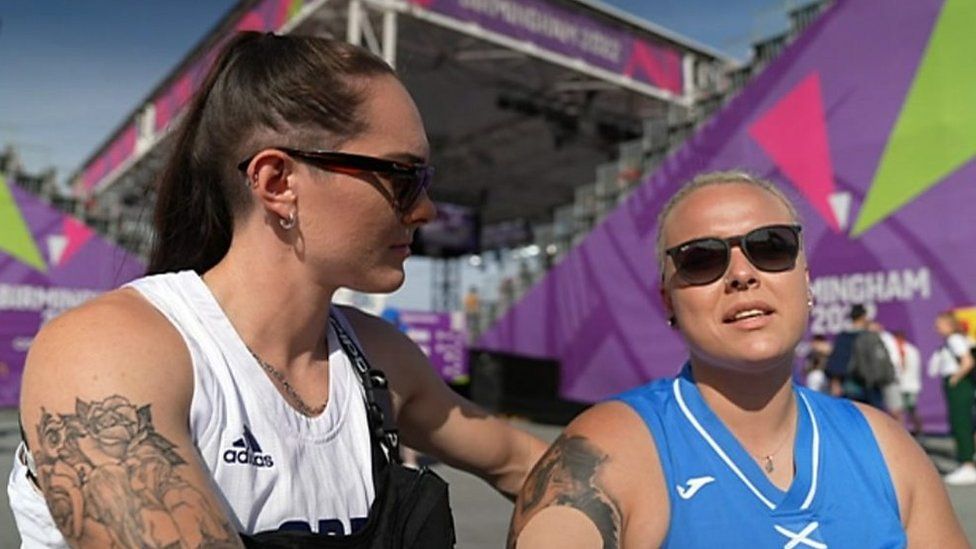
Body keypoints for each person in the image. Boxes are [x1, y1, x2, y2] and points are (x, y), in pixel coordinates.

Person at [10, 32, 546, 547]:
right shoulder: (110, 351)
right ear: (277, 183)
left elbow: (534, 466)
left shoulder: (379, 359)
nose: (426, 210)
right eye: (403, 177)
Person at [508, 171, 966, 547]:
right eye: (701, 259)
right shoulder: (612, 449)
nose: (742, 274)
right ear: (668, 301)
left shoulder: (885, 447)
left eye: (771, 246)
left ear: (806, 282)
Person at [927, 311, 976, 486]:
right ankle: (967, 461)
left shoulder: (955, 339)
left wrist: (955, 378)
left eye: (939, 324)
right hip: (959, 385)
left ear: (949, 324)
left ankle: (968, 465)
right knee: (962, 422)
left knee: (961, 423)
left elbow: (968, 361)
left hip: (959, 385)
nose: (936, 328)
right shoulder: (952, 341)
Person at [891, 330, 923, 435]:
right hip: (900, 385)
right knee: (900, 410)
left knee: (911, 408)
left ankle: (918, 429)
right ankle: (902, 431)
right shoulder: (894, 350)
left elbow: (909, 368)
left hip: (909, 385)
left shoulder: (911, 350)